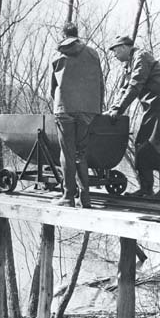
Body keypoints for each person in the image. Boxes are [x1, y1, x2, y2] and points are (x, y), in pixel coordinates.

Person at [106, 35, 160, 200]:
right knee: (141, 143)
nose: (114, 55)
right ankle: (146, 188)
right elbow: (124, 89)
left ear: (124, 47)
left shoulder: (141, 57)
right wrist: (114, 108)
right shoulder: (128, 65)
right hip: (150, 106)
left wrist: (120, 108)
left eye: (115, 51)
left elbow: (135, 85)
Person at [50, 22, 104, 207]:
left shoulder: (59, 55)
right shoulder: (93, 54)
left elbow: (53, 88)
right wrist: (97, 107)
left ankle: (67, 196)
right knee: (81, 152)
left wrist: (60, 103)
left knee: (67, 153)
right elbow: (100, 82)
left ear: (63, 34)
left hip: (65, 109)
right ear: (77, 34)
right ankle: (85, 197)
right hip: (88, 109)